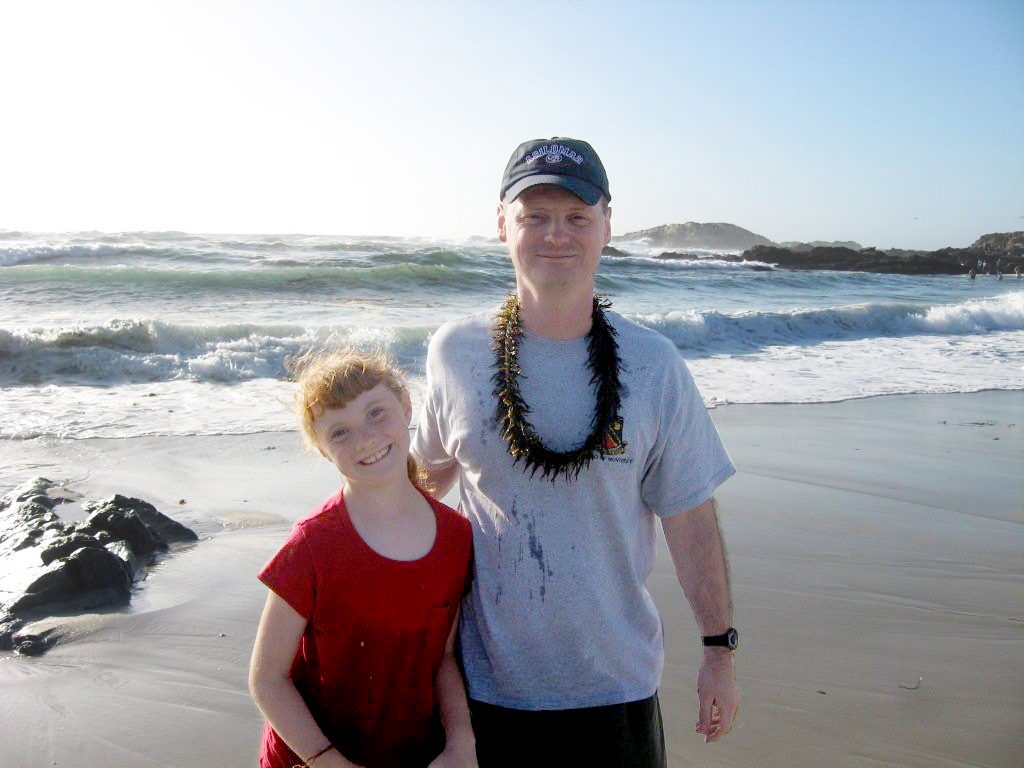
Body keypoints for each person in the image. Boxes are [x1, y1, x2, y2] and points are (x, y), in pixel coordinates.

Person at [413, 137, 740, 767]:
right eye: (535, 216)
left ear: (607, 225)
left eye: (577, 217)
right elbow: (418, 491)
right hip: (485, 693)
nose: (555, 235)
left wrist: (717, 651)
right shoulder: (454, 354)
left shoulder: (655, 366)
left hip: (615, 689)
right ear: (502, 223)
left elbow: (690, 516)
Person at [249, 348, 476, 768]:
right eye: (339, 432)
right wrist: (328, 760)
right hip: (311, 757)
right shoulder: (312, 545)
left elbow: (443, 657)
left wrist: (461, 742)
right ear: (320, 449)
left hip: (411, 753)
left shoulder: (456, 535)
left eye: (376, 412)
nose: (366, 438)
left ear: (406, 405)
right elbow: (267, 679)